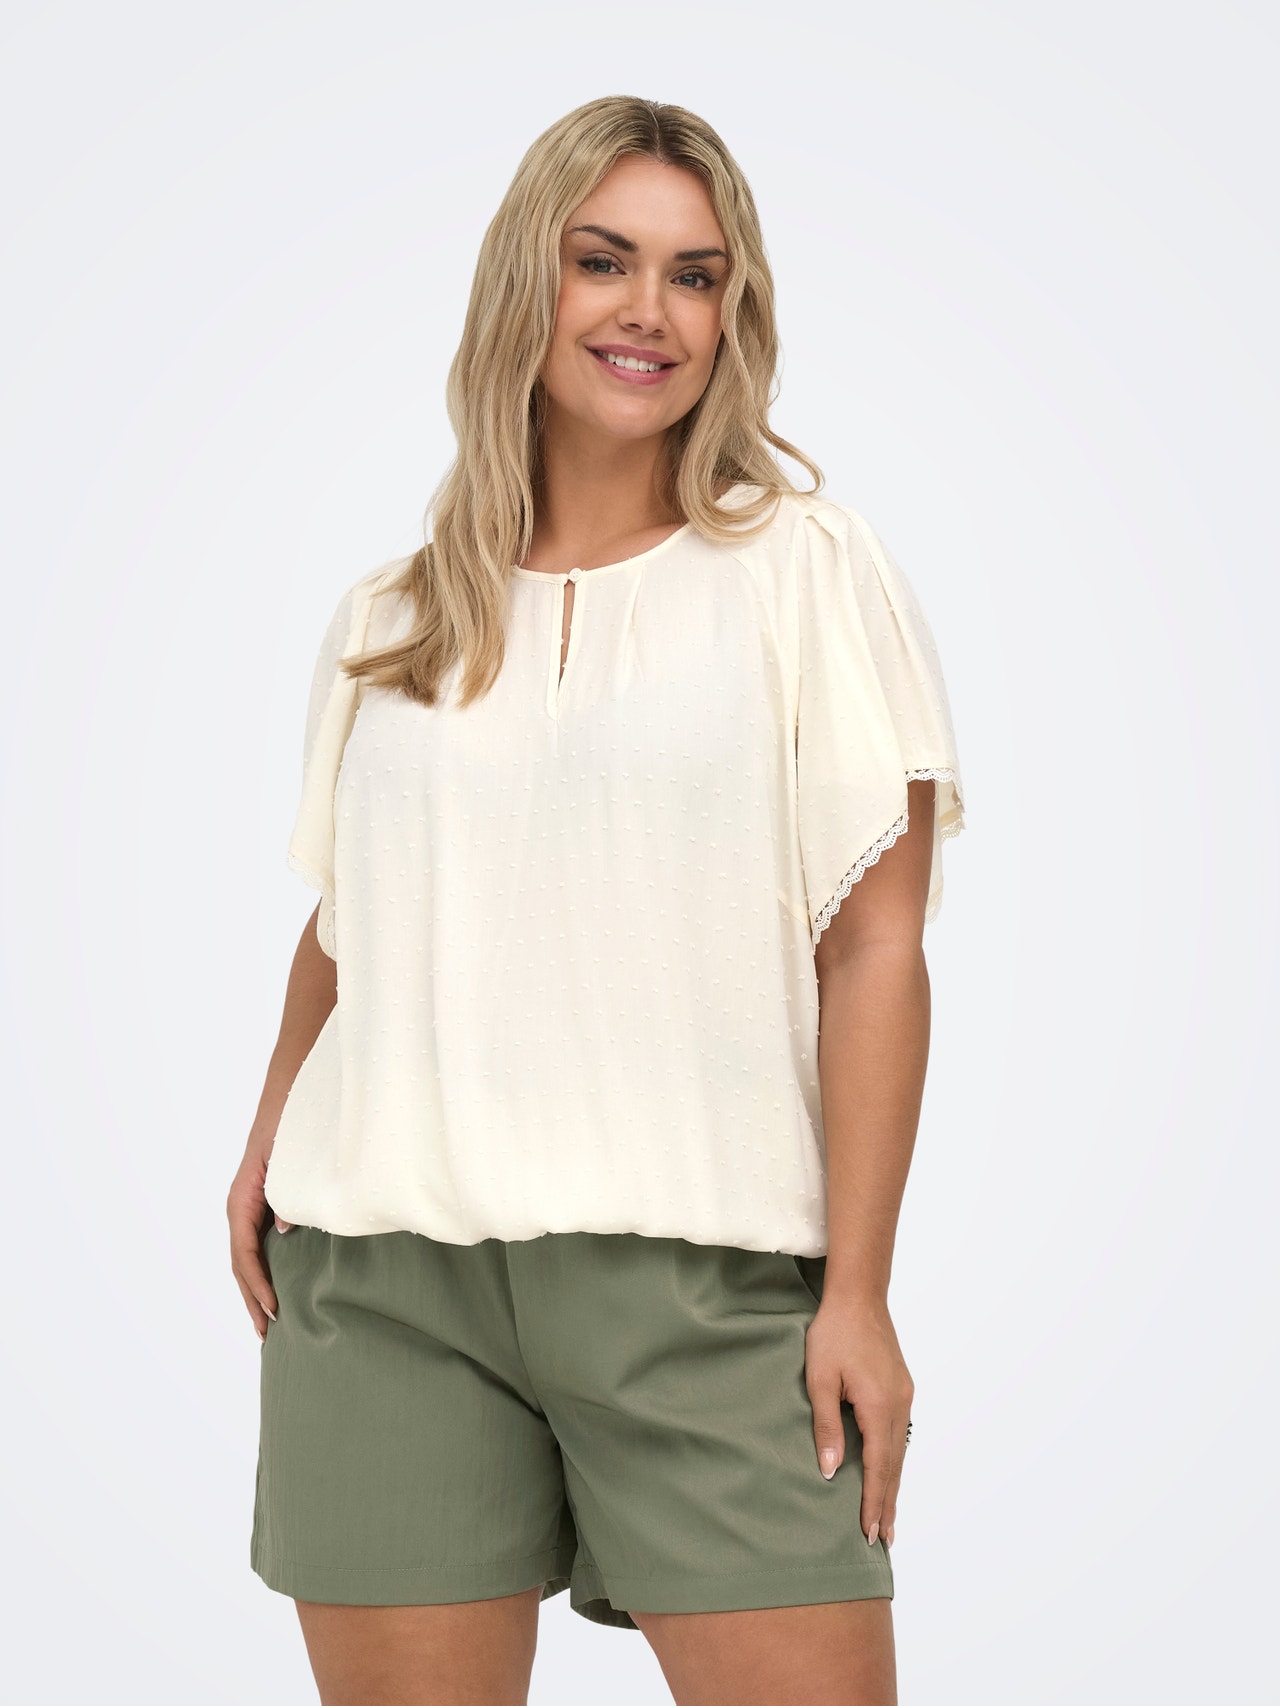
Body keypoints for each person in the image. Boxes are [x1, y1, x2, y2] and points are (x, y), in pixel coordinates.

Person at [227, 93, 966, 1706]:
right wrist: (268, 1132)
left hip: (701, 1283)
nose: (650, 311)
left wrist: (858, 1289)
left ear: (733, 311)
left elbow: (876, 944)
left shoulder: (806, 573)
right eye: (604, 260)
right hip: (383, 1282)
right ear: (528, 281)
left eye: (696, 276)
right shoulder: (395, 616)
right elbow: (350, 920)